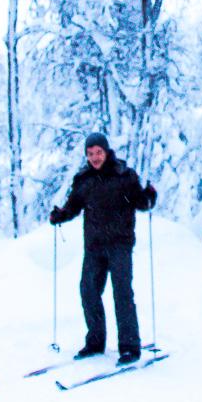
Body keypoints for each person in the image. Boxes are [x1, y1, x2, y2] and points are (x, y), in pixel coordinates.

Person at [49, 132, 157, 365]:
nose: (95, 157)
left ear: (107, 151)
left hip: (120, 244)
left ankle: (129, 347)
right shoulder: (84, 180)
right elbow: (73, 207)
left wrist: (149, 196)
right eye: (90, 154)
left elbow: (141, 203)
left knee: (122, 294)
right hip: (94, 246)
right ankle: (95, 342)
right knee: (88, 292)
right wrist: (60, 216)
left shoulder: (124, 176)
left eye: (98, 152)